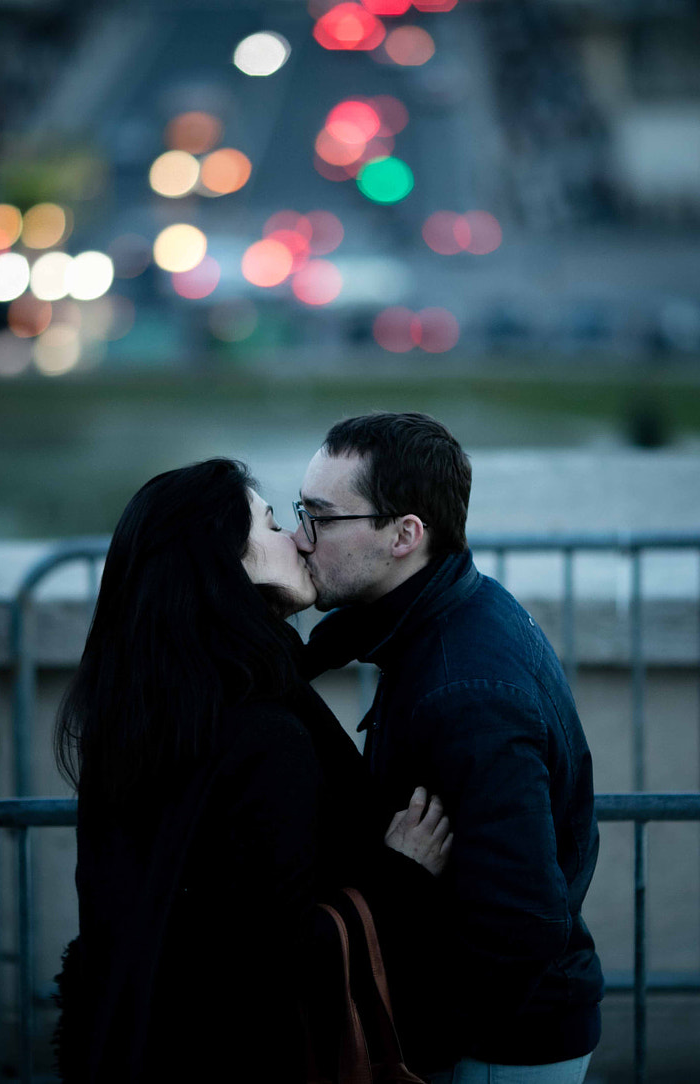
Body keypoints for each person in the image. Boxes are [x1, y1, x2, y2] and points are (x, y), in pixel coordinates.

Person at [50, 457, 451, 1083]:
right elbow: (267, 959)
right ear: (225, 567)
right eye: (270, 525)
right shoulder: (263, 734)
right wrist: (398, 878)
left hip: (126, 1045)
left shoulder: (141, 712)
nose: (297, 538)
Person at [294, 413, 603, 1084]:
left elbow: (521, 921)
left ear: (405, 534)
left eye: (321, 517)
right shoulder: (448, 610)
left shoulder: (465, 693)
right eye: (297, 512)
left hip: (498, 1046)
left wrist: (423, 1045)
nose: (298, 539)